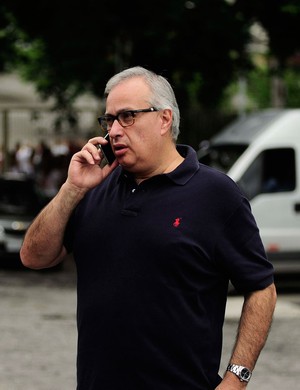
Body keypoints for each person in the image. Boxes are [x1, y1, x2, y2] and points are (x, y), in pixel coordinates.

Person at [20, 66, 277, 390]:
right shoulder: (94, 185)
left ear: (164, 119)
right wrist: (72, 188)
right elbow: (34, 257)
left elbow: (262, 289)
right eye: (109, 119)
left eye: (127, 116)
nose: (114, 130)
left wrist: (235, 379)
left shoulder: (215, 194)